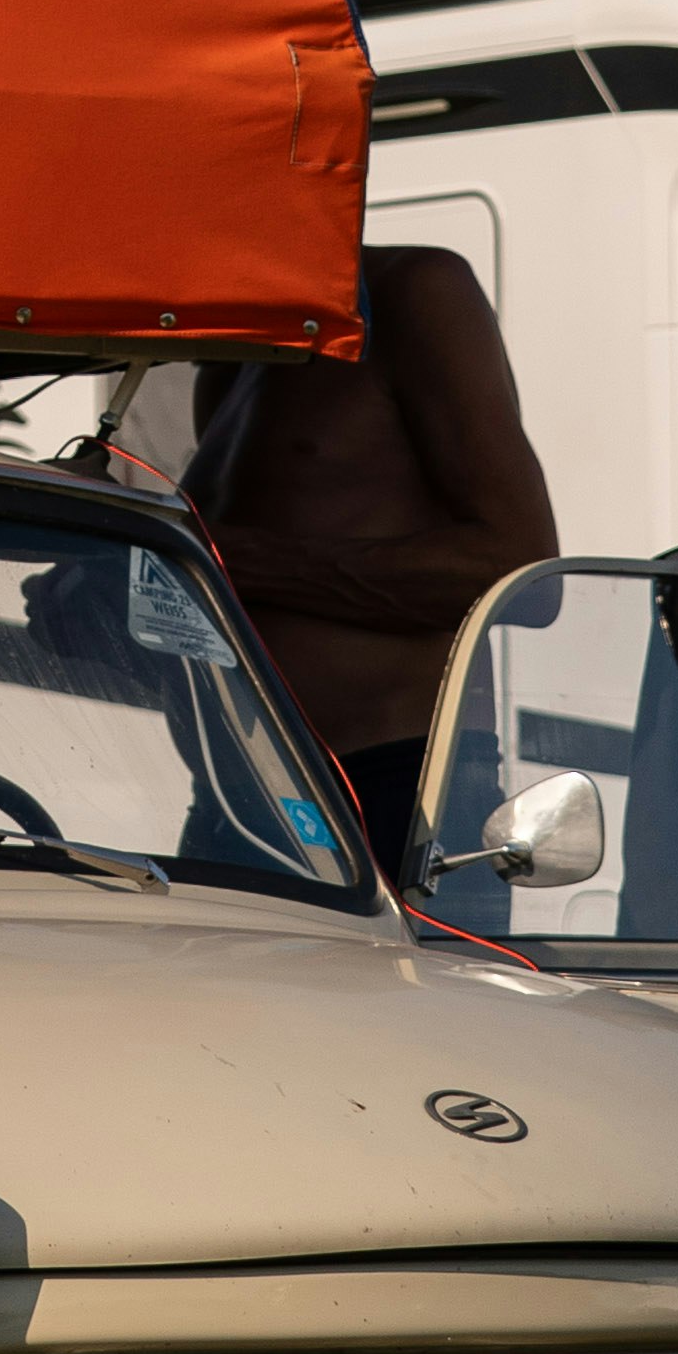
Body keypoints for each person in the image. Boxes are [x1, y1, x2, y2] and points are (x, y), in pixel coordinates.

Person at [182, 246, 560, 882]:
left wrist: (225, 560)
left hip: (392, 790)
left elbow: (519, 573)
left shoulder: (414, 292)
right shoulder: (233, 357)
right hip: (238, 795)